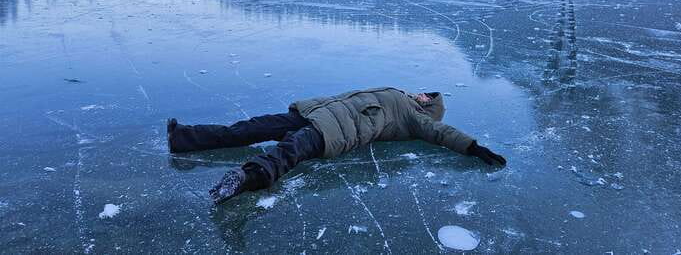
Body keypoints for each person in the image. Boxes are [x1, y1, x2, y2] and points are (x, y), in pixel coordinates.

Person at [167, 87, 506, 205]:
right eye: (425, 92)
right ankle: (184, 138)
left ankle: (247, 178)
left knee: (290, 151)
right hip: (316, 112)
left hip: (336, 131)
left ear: (429, 108)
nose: (422, 95)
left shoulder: (417, 118)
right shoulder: (400, 95)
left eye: (428, 98)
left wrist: (472, 146)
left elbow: (442, 134)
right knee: (252, 126)